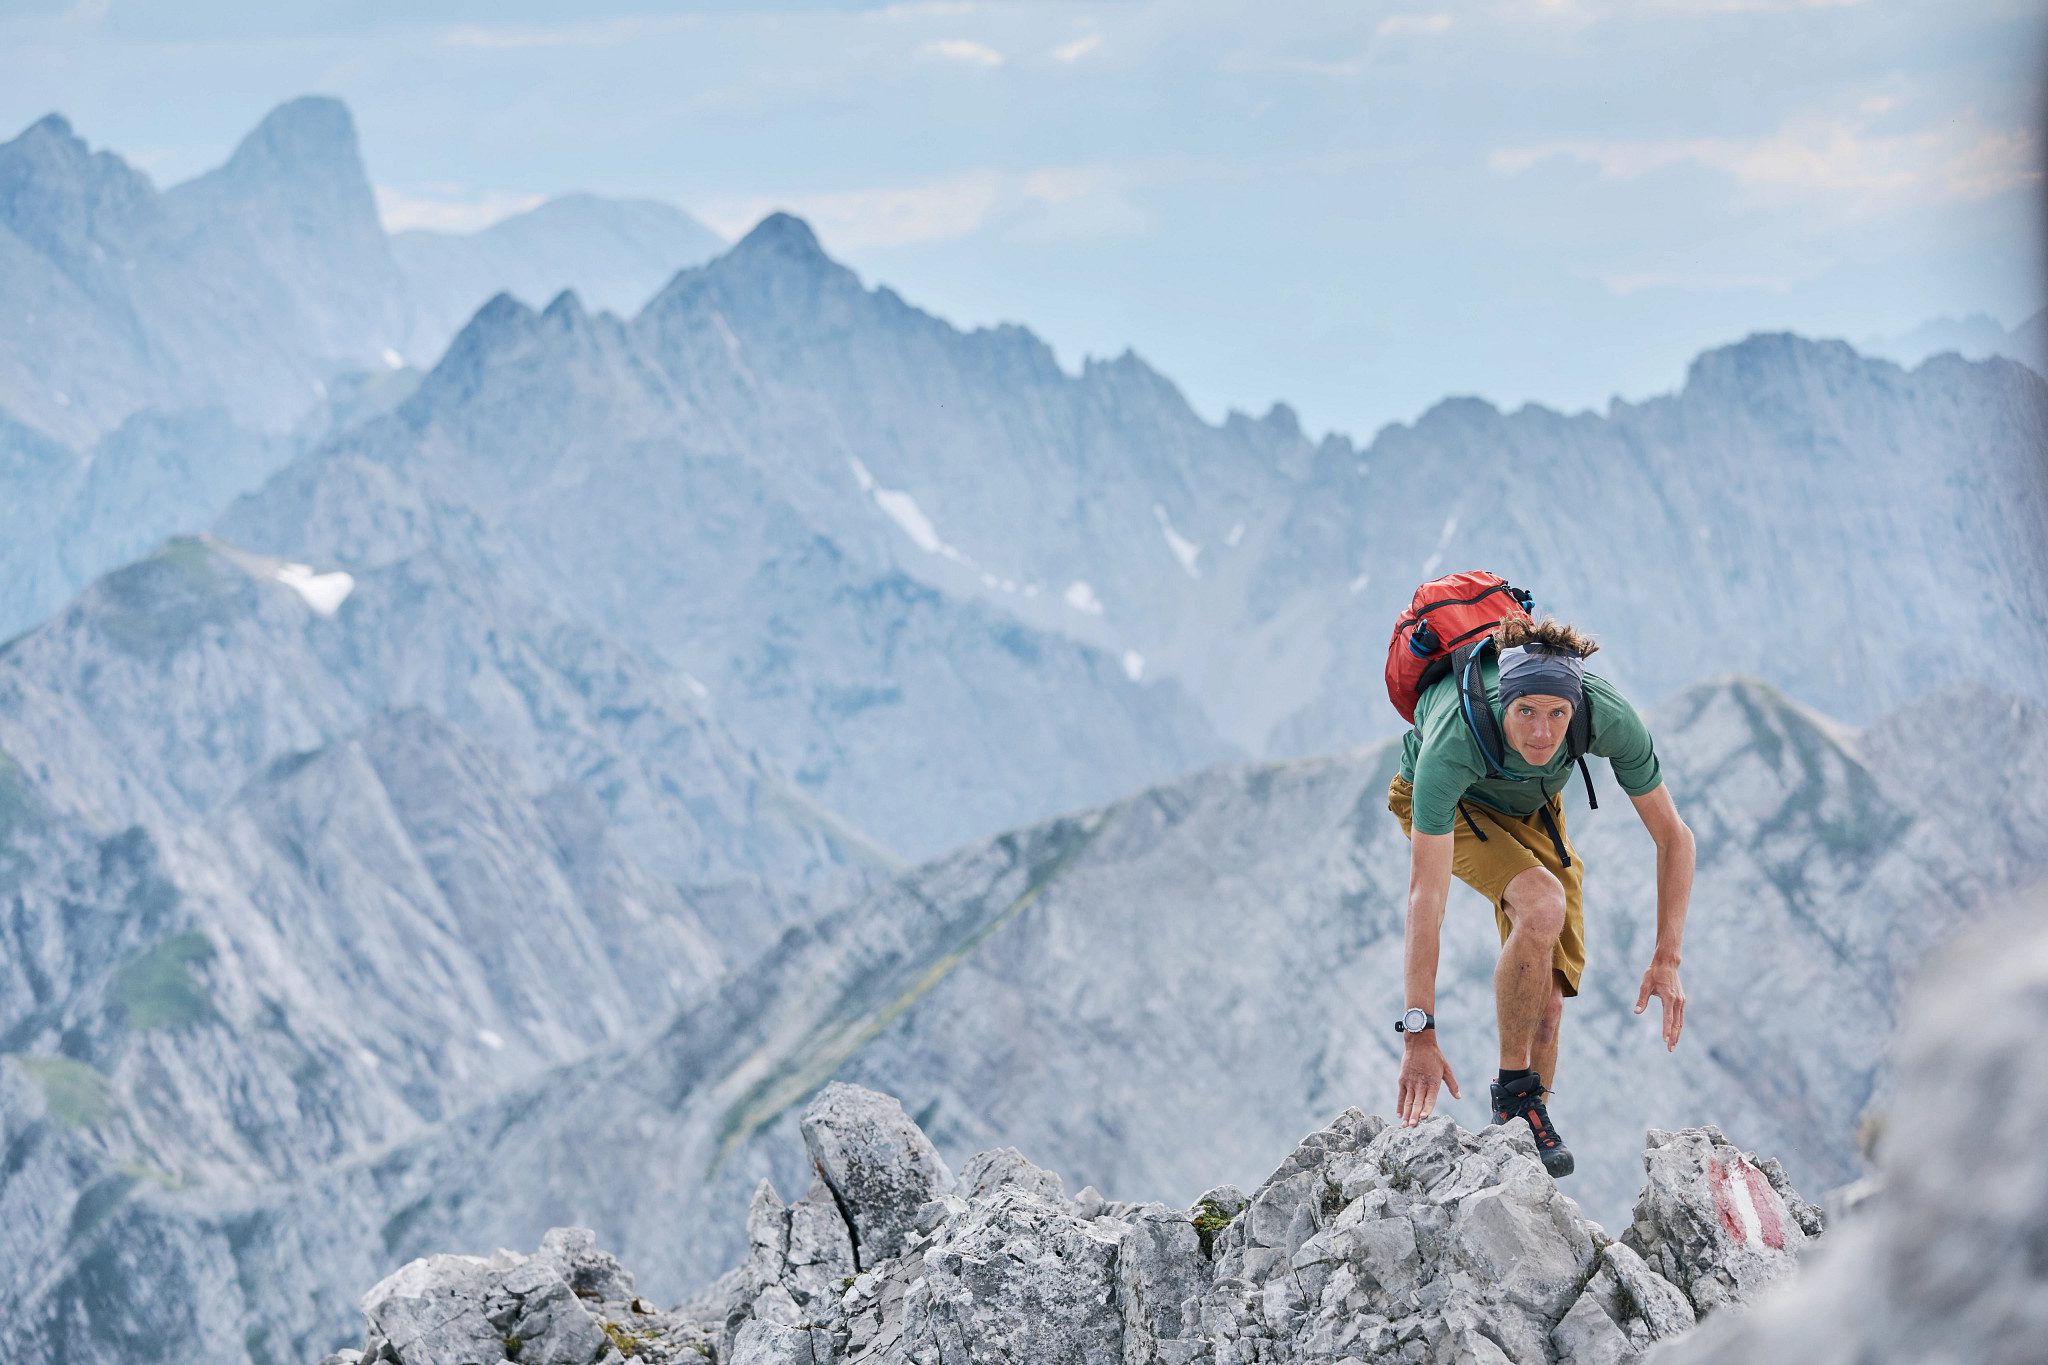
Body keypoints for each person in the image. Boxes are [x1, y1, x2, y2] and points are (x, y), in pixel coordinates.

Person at [1385, 617, 1694, 1176]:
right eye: (1526, 711)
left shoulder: (1610, 717)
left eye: (1557, 715)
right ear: (1503, 699)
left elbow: (1674, 836)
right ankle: (1514, 1093)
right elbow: (1424, 902)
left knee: (1548, 1005)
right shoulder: (1453, 742)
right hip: (1450, 806)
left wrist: (1668, 957)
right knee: (1543, 903)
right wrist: (1418, 1034)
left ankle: (1524, 1145)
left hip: (1531, 805)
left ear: (1577, 708)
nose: (1542, 734)